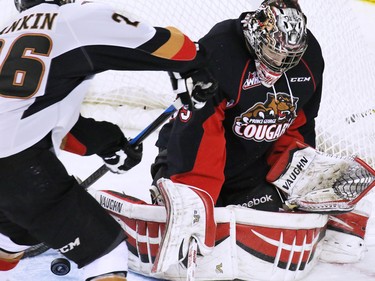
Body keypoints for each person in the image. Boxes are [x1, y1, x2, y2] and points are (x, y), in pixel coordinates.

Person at [0, 0, 216, 280]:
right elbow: (174, 47)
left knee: (18, 233)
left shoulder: (6, 33)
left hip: (14, 165)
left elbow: (42, 116)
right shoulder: (73, 18)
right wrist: (194, 66)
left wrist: (109, 143)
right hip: (17, 165)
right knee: (105, 252)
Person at [151, 0, 373, 268]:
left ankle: (317, 215)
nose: (279, 64)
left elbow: (299, 123)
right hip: (189, 154)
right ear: (257, 35)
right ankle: (177, 192)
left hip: (249, 167)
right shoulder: (221, 50)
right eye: (273, 53)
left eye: (288, 58)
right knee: (200, 223)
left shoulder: (309, 58)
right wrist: (197, 197)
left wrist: (295, 178)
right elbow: (200, 130)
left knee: (266, 222)